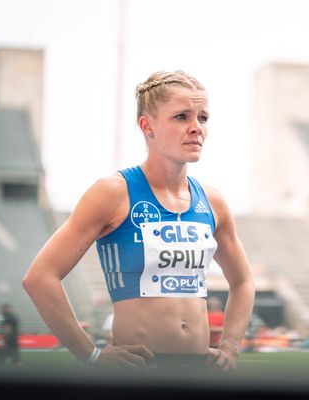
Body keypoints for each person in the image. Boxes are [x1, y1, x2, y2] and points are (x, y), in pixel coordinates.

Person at [23, 70, 255, 374]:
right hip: (139, 371)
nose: (196, 128)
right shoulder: (113, 192)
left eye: (203, 118)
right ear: (148, 126)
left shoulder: (212, 202)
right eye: (182, 117)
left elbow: (243, 282)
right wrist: (91, 355)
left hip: (199, 371)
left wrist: (230, 346)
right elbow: (40, 277)